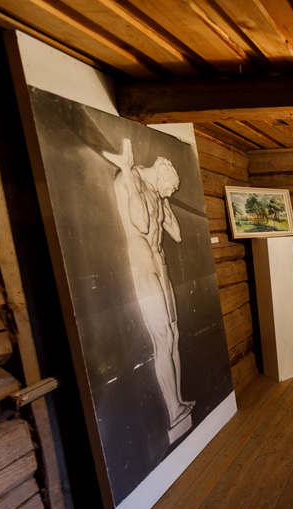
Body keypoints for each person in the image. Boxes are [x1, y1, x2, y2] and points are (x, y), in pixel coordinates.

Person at [103, 138, 194, 435]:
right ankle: (172, 409)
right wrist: (128, 172)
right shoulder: (128, 179)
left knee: (175, 333)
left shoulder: (157, 193)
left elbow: (176, 234)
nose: (170, 193)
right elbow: (141, 223)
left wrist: (164, 199)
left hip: (160, 264)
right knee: (162, 337)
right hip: (143, 268)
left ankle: (178, 400)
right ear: (161, 177)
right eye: (170, 189)